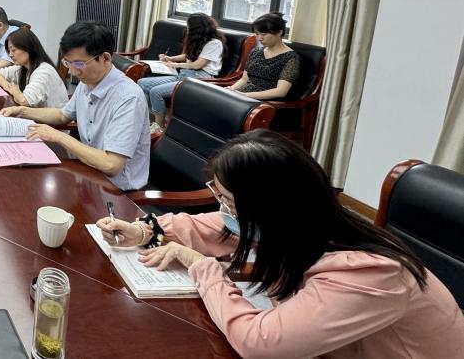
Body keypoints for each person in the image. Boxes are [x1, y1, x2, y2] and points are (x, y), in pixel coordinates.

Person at [94, 130, 464, 358]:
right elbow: (211, 227)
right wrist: (145, 230)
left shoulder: (371, 273)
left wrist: (202, 266)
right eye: (220, 197)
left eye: (229, 203)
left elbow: (258, 343)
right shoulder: (303, 228)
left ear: (274, 209)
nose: (222, 211)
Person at [1, 22, 149, 190]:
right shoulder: (87, 82)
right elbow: (62, 115)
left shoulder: (128, 98)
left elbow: (111, 164)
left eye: (79, 64)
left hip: (117, 189)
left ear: (105, 58)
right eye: (68, 63)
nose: (73, 72)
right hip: (88, 173)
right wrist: (22, 111)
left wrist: (59, 137)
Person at [137, 13, 225, 129]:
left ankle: (159, 126)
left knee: (155, 92)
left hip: (199, 79)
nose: (187, 30)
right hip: (185, 75)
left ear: (197, 29)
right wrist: (170, 58)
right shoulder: (200, 40)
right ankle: (148, 119)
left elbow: (197, 65)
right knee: (142, 83)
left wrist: (175, 65)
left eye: (189, 27)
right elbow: (188, 56)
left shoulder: (214, 43)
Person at [0, 27, 69, 108]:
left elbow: (24, 101)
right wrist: (7, 85)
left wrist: (15, 91)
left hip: (53, 115)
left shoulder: (43, 71)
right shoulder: (23, 67)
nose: (10, 55)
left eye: (13, 50)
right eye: (9, 51)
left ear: (28, 48)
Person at [229, 12, 300, 100]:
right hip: (243, 96)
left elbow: (281, 91)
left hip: (263, 102)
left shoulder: (291, 58)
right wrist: (231, 90)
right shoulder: (256, 52)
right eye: (257, 34)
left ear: (279, 32)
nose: (259, 38)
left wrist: (245, 96)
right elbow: (244, 80)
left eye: (263, 34)